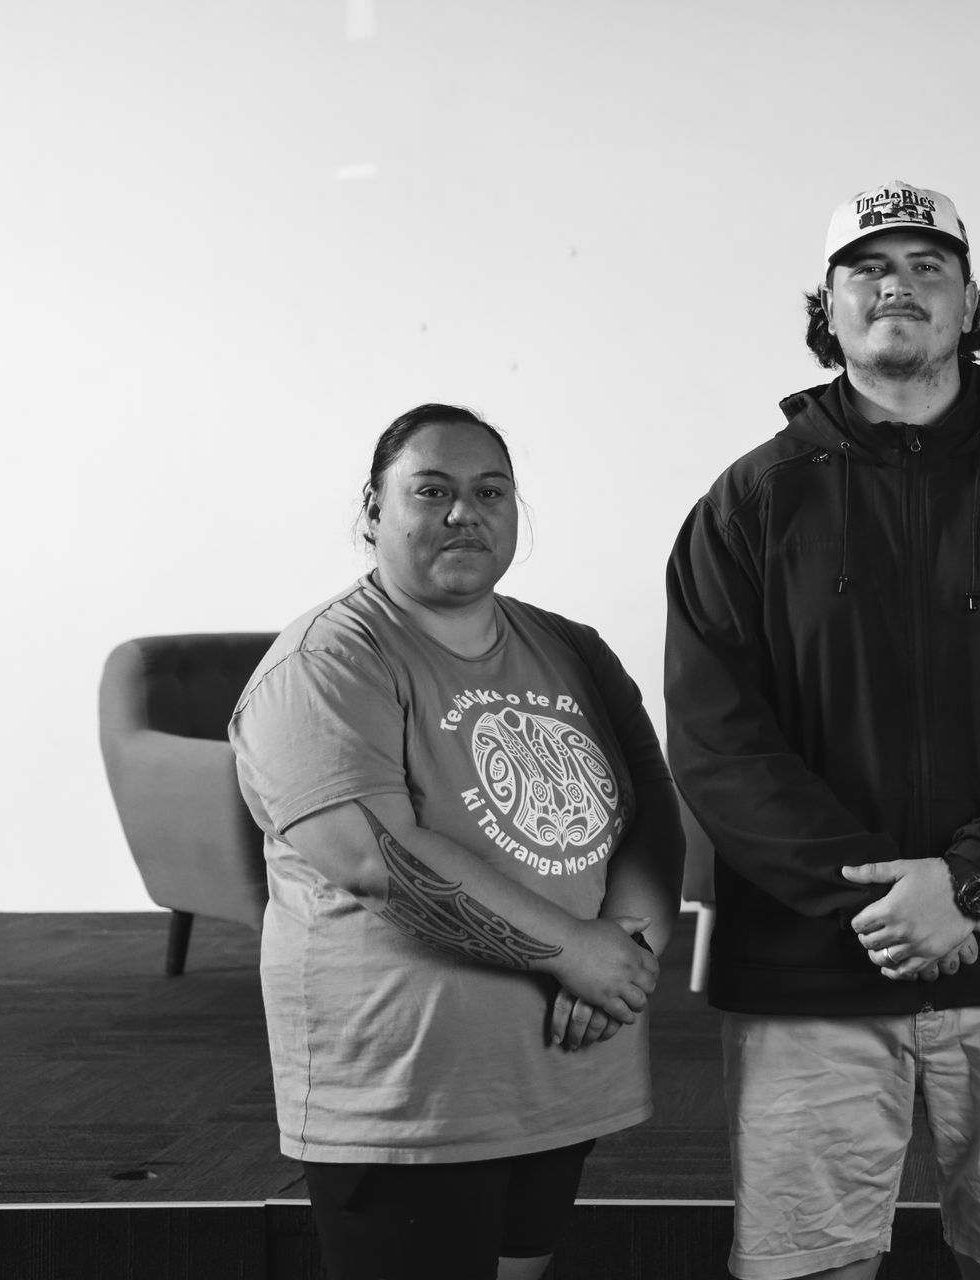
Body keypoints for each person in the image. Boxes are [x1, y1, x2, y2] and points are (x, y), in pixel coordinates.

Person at [665, 180, 980, 1280]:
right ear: (827, 307)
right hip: (812, 968)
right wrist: (882, 904)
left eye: (928, 266)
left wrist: (974, 881)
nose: (898, 285)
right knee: (811, 1267)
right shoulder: (749, 503)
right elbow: (717, 742)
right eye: (869, 268)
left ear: (972, 302)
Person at [229, 404, 685, 1280]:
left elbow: (652, 810)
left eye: (489, 492)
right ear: (373, 510)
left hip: (558, 1071)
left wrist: (624, 952)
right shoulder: (325, 662)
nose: (464, 513)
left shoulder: (573, 647)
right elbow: (377, 861)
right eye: (432, 491)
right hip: (411, 1097)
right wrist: (576, 952)